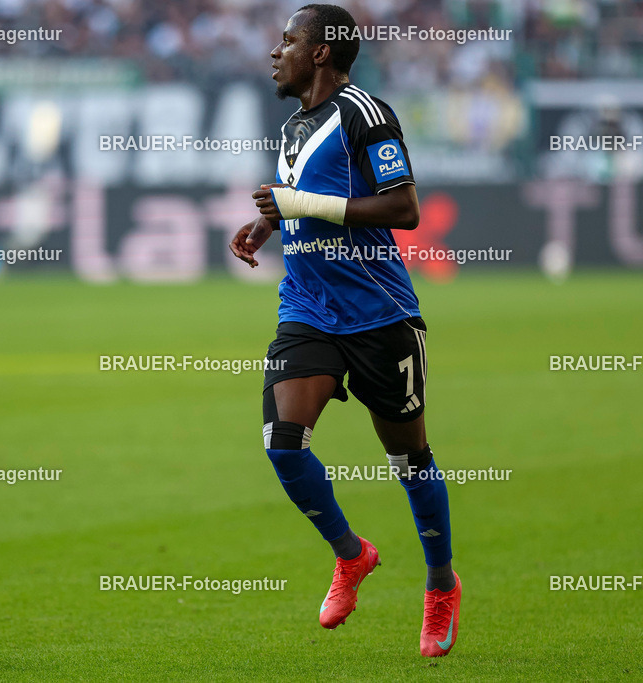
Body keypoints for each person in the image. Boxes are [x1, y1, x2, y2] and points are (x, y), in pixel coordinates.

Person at [228, 3, 460, 657]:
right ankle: (351, 554)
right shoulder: (294, 125)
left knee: (408, 458)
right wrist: (268, 223)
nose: (276, 52)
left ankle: (440, 583)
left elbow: (405, 206)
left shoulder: (367, 112)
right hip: (306, 308)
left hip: (380, 312)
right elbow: (296, 189)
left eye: (287, 40)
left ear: (322, 51)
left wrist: (298, 205)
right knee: (283, 442)